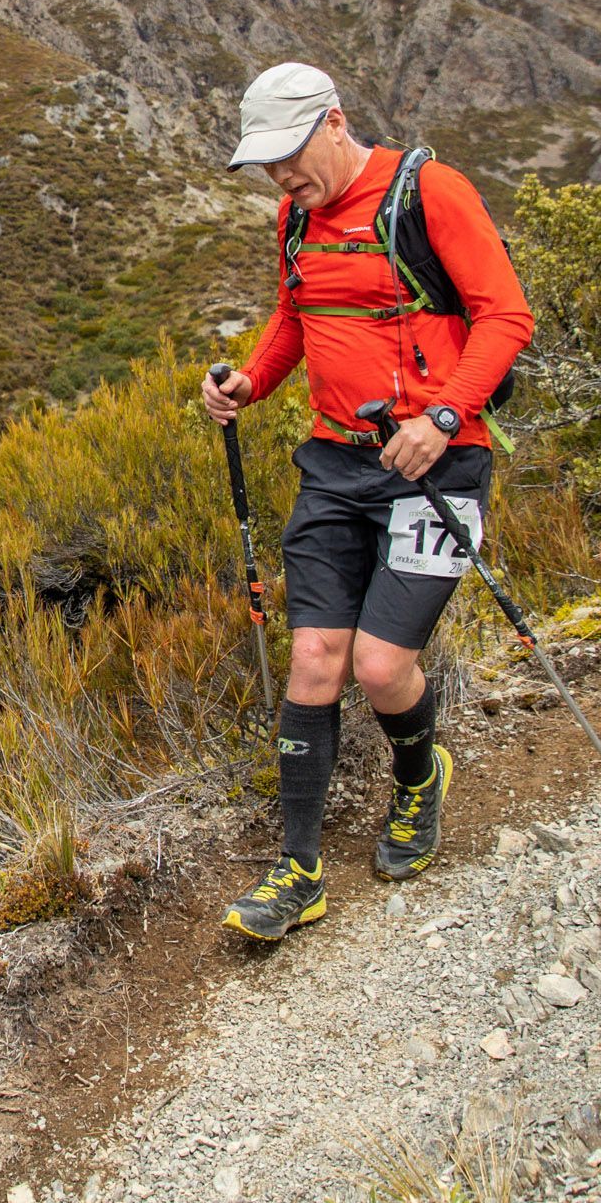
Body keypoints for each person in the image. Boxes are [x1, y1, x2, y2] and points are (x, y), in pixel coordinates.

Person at [203, 61, 533, 940]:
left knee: (382, 668)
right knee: (315, 657)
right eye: (265, 163)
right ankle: (297, 872)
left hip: (435, 465)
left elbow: (505, 317)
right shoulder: (294, 218)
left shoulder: (431, 193)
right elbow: (293, 315)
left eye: (289, 154)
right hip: (335, 467)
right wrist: (250, 383)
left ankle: (420, 780)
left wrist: (443, 413)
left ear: (335, 122)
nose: (280, 176)